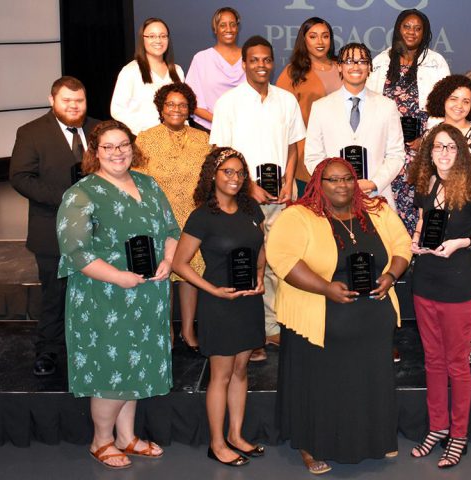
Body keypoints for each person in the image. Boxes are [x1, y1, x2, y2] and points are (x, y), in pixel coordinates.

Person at [267, 157, 411, 473]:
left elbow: (402, 244)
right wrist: (326, 288)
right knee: (319, 387)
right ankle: (310, 445)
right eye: (332, 179)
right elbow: (283, 258)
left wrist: (391, 276)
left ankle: (373, 438)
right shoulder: (298, 216)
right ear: (318, 183)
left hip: (372, 319)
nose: (341, 185)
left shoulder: (377, 210)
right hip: (317, 316)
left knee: (369, 384)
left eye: (347, 178)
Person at [56, 120, 179, 469]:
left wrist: (168, 260)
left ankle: (126, 437)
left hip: (148, 294)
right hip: (104, 295)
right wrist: (118, 278)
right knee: (113, 368)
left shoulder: (149, 184)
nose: (117, 152)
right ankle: (101, 440)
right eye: (108, 147)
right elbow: (75, 252)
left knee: (135, 364)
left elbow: (172, 229)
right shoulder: (81, 194)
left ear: (132, 147)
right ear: (95, 152)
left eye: (123, 144)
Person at [408, 123, 471, 468]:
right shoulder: (426, 183)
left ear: (460, 152)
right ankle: (437, 427)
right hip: (425, 281)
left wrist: (461, 242)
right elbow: (422, 220)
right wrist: (415, 241)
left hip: (460, 285)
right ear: (429, 152)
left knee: (457, 364)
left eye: (450, 147)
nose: (443, 153)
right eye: (438, 146)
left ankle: (458, 434)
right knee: (432, 360)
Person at [211, 35, 306, 360]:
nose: (261, 65)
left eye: (266, 59)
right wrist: (249, 186)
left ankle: (279, 327)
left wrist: (289, 180)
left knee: (282, 260)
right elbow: (221, 152)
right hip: (243, 196)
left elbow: (293, 147)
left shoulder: (286, 100)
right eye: (254, 60)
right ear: (244, 64)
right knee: (250, 263)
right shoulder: (228, 102)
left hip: (281, 196)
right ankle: (254, 335)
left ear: (273, 62)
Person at [172, 147, 266, 466]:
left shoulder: (251, 208)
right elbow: (180, 263)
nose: (235, 178)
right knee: (221, 375)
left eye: (240, 172)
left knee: (241, 371)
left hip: (248, 302)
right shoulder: (202, 216)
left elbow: (260, 247)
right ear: (213, 175)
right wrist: (212, 289)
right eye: (228, 171)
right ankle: (217, 443)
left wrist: (259, 276)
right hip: (219, 305)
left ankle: (236, 436)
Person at [10, 76, 99, 376]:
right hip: (52, 228)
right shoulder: (31, 132)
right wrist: (67, 198)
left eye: (79, 100)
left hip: (99, 228)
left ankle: (92, 346)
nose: (74, 106)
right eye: (67, 100)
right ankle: (48, 350)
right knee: (55, 294)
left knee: (96, 291)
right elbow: (21, 177)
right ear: (52, 101)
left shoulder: (99, 129)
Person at [134, 83, 211, 352]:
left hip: (193, 218)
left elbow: (208, 178)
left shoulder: (203, 139)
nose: (176, 109)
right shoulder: (145, 138)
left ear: (189, 109)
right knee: (163, 274)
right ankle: (165, 329)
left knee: (190, 273)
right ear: (161, 108)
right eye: (170, 104)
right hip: (159, 218)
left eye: (182, 104)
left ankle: (188, 330)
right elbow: (137, 180)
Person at [366, 8, 449, 233]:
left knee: (418, 205)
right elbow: (370, 104)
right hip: (387, 149)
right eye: (407, 27)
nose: (411, 32)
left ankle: (415, 250)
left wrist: (427, 139)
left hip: (420, 150)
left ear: (424, 32)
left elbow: (445, 107)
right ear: (398, 29)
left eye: (417, 28)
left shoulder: (436, 62)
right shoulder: (382, 61)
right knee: (386, 205)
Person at [304, 42, 405, 208]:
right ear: (339, 67)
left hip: (375, 197)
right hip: (332, 200)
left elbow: (396, 154)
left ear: (369, 67)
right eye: (349, 61)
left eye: (362, 61)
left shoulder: (387, 106)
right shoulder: (320, 107)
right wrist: (336, 182)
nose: (356, 67)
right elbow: (313, 156)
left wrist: (374, 183)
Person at [276, 17, 341, 195]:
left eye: (325, 36)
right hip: (306, 155)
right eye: (313, 36)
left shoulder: (343, 67)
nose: (320, 42)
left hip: (341, 149)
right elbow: (280, 116)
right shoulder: (293, 72)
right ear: (304, 40)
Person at [111, 18, 183, 135]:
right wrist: (144, 132)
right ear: (142, 39)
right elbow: (117, 110)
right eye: (152, 36)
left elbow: (182, 107)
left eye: (163, 36)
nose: (158, 40)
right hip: (143, 138)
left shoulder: (177, 71)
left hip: (175, 137)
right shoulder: (131, 71)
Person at [425, 74, 471, 182]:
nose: (459, 105)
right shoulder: (431, 134)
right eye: (453, 99)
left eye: (466, 101)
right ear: (442, 99)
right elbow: (424, 172)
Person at [185, 7, 246, 132]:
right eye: (223, 25)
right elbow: (191, 101)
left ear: (237, 28)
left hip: (245, 130)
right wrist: (221, 121)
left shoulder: (249, 57)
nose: (228, 29)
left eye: (233, 24)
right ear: (215, 29)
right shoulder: (201, 59)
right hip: (209, 130)